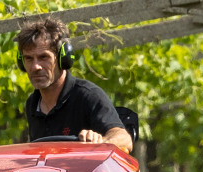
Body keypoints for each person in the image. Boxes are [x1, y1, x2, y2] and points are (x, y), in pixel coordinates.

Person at [17, 16, 133, 154]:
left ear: (63, 58)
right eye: (28, 58)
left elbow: (124, 139)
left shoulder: (88, 95)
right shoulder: (33, 104)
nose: (35, 66)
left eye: (44, 57)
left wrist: (101, 142)